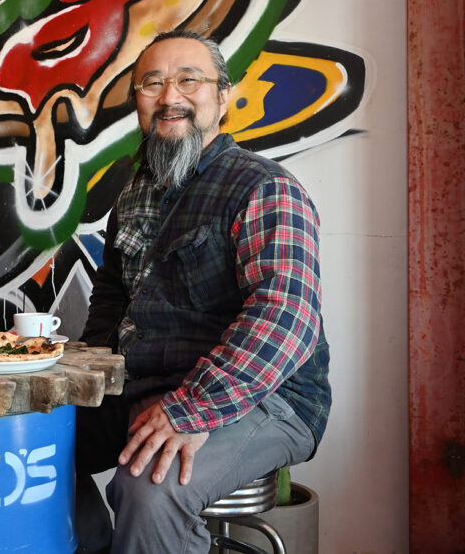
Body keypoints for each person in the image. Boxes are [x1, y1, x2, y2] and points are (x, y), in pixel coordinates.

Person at [76, 30, 331, 553]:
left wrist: (191, 408)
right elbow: (110, 300)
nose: (170, 96)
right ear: (138, 102)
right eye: (152, 84)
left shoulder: (265, 187)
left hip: (269, 398)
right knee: (31, 448)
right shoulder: (135, 193)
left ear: (223, 97)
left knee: (150, 489)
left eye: (189, 80)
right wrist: (87, 380)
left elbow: (284, 317)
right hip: (151, 388)